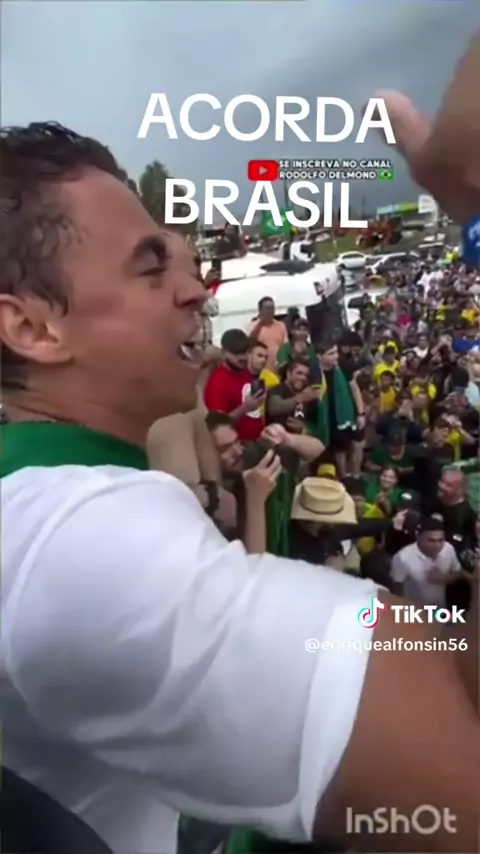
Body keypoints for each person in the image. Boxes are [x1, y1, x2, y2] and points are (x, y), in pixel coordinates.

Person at [1, 119, 480, 854]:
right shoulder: (76, 536)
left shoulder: (58, 494)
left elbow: (422, 655)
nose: (197, 291)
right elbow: (452, 787)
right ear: (33, 329)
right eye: (150, 269)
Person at [204, 329, 265, 441]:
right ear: (224, 353)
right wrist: (245, 408)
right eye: (236, 353)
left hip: (259, 439)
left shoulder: (247, 372)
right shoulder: (218, 382)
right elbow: (217, 426)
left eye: (245, 352)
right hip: (237, 445)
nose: (243, 357)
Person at [390, 517, 462, 606]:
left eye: (441, 540)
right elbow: (397, 588)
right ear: (418, 537)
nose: (437, 545)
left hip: (440, 606)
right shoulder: (402, 558)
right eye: (431, 541)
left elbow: (458, 572)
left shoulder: (449, 549)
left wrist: (445, 578)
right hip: (414, 608)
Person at [247, 297, 287, 370]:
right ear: (260, 310)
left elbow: (285, 346)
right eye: (267, 308)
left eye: (272, 308)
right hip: (260, 368)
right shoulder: (252, 326)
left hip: (277, 368)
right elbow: (250, 343)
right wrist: (260, 324)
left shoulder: (281, 325)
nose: (271, 311)